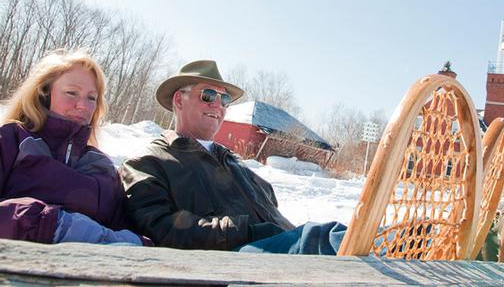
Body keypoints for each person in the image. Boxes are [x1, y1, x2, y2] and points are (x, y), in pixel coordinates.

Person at [121, 60, 346, 253]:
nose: (218, 105)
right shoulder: (148, 162)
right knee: (327, 239)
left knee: (362, 238)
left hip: (282, 251)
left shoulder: (234, 162)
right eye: (208, 95)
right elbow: (159, 227)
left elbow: (273, 211)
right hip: (227, 262)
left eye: (225, 99)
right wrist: (244, 230)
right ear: (180, 100)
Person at [0, 49, 149, 246]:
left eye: (91, 98)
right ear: (44, 94)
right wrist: (53, 225)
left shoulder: (102, 166)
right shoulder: (12, 139)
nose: (83, 106)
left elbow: (129, 235)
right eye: (71, 93)